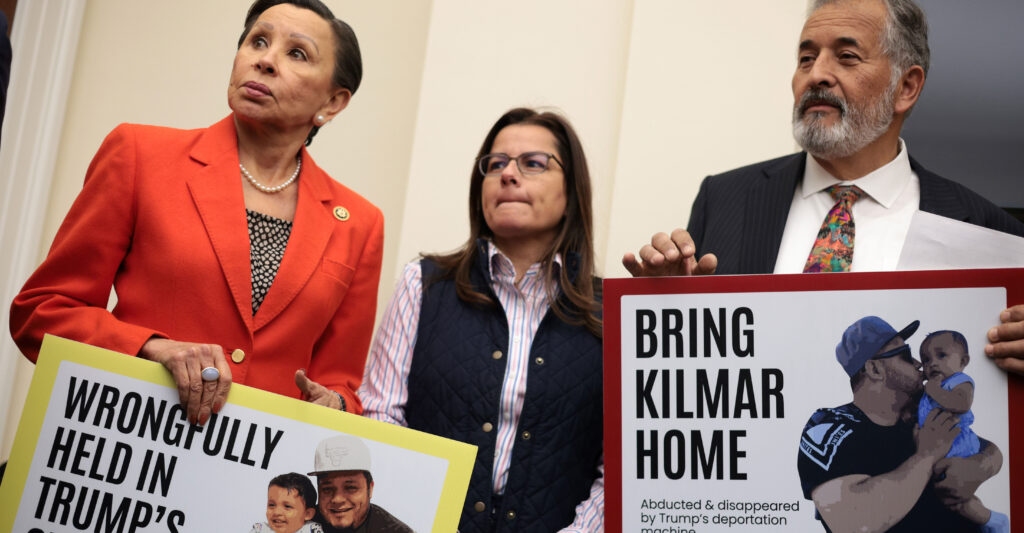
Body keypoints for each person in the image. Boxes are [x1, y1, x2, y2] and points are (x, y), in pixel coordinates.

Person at [9, 0, 383, 425]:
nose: (265, 60)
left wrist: (333, 405)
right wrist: (151, 347)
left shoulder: (360, 224)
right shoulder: (139, 155)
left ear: (333, 102)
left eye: (296, 53)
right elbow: (41, 313)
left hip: (249, 478)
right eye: (257, 41)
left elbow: (341, 386)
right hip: (125, 450)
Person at [621, 0, 1024, 375]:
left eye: (846, 57)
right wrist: (664, 311)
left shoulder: (991, 232)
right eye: (806, 58)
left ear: (906, 87)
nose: (816, 75)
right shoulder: (725, 198)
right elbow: (693, 379)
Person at [359, 108, 604, 532]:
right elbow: (380, 417)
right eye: (495, 164)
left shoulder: (611, 312)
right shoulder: (424, 283)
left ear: (571, 193)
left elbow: (618, 467)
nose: (509, 174)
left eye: (533, 163)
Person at [797, 316, 1005, 532]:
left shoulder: (920, 411)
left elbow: (986, 448)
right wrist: (927, 456)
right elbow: (851, 521)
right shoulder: (830, 426)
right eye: (906, 355)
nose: (919, 364)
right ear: (874, 369)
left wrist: (978, 467)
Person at [917, 330, 1007, 530]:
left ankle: (994, 522)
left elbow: (961, 404)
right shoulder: (930, 389)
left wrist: (935, 391)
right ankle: (989, 520)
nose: (932, 363)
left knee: (951, 487)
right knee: (955, 499)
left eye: (941, 355)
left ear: (963, 361)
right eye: (926, 359)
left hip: (959, 443)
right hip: (941, 445)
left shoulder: (960, 381)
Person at [308, 434, 412, 533]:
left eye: (350, 487)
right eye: (327, 489)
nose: (337, 499)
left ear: (370, 489)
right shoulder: (301, 523)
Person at [251, 472, 323, 533]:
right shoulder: (260, 530)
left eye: (287, 506)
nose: (277, 512)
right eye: (272, 505)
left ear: (307, 514)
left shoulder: (312, 529)